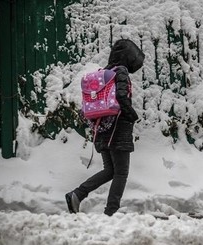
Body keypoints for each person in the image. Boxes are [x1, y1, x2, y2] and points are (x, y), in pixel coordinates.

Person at [66, 39, 145, 216]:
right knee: (121, 173)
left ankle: (77, 194)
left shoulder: (106, 73)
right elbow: (122, 97)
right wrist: (131, 115)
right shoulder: (122, 71)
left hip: (102, 127)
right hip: (118, 128)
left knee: (110, 170)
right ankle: (111, 213)